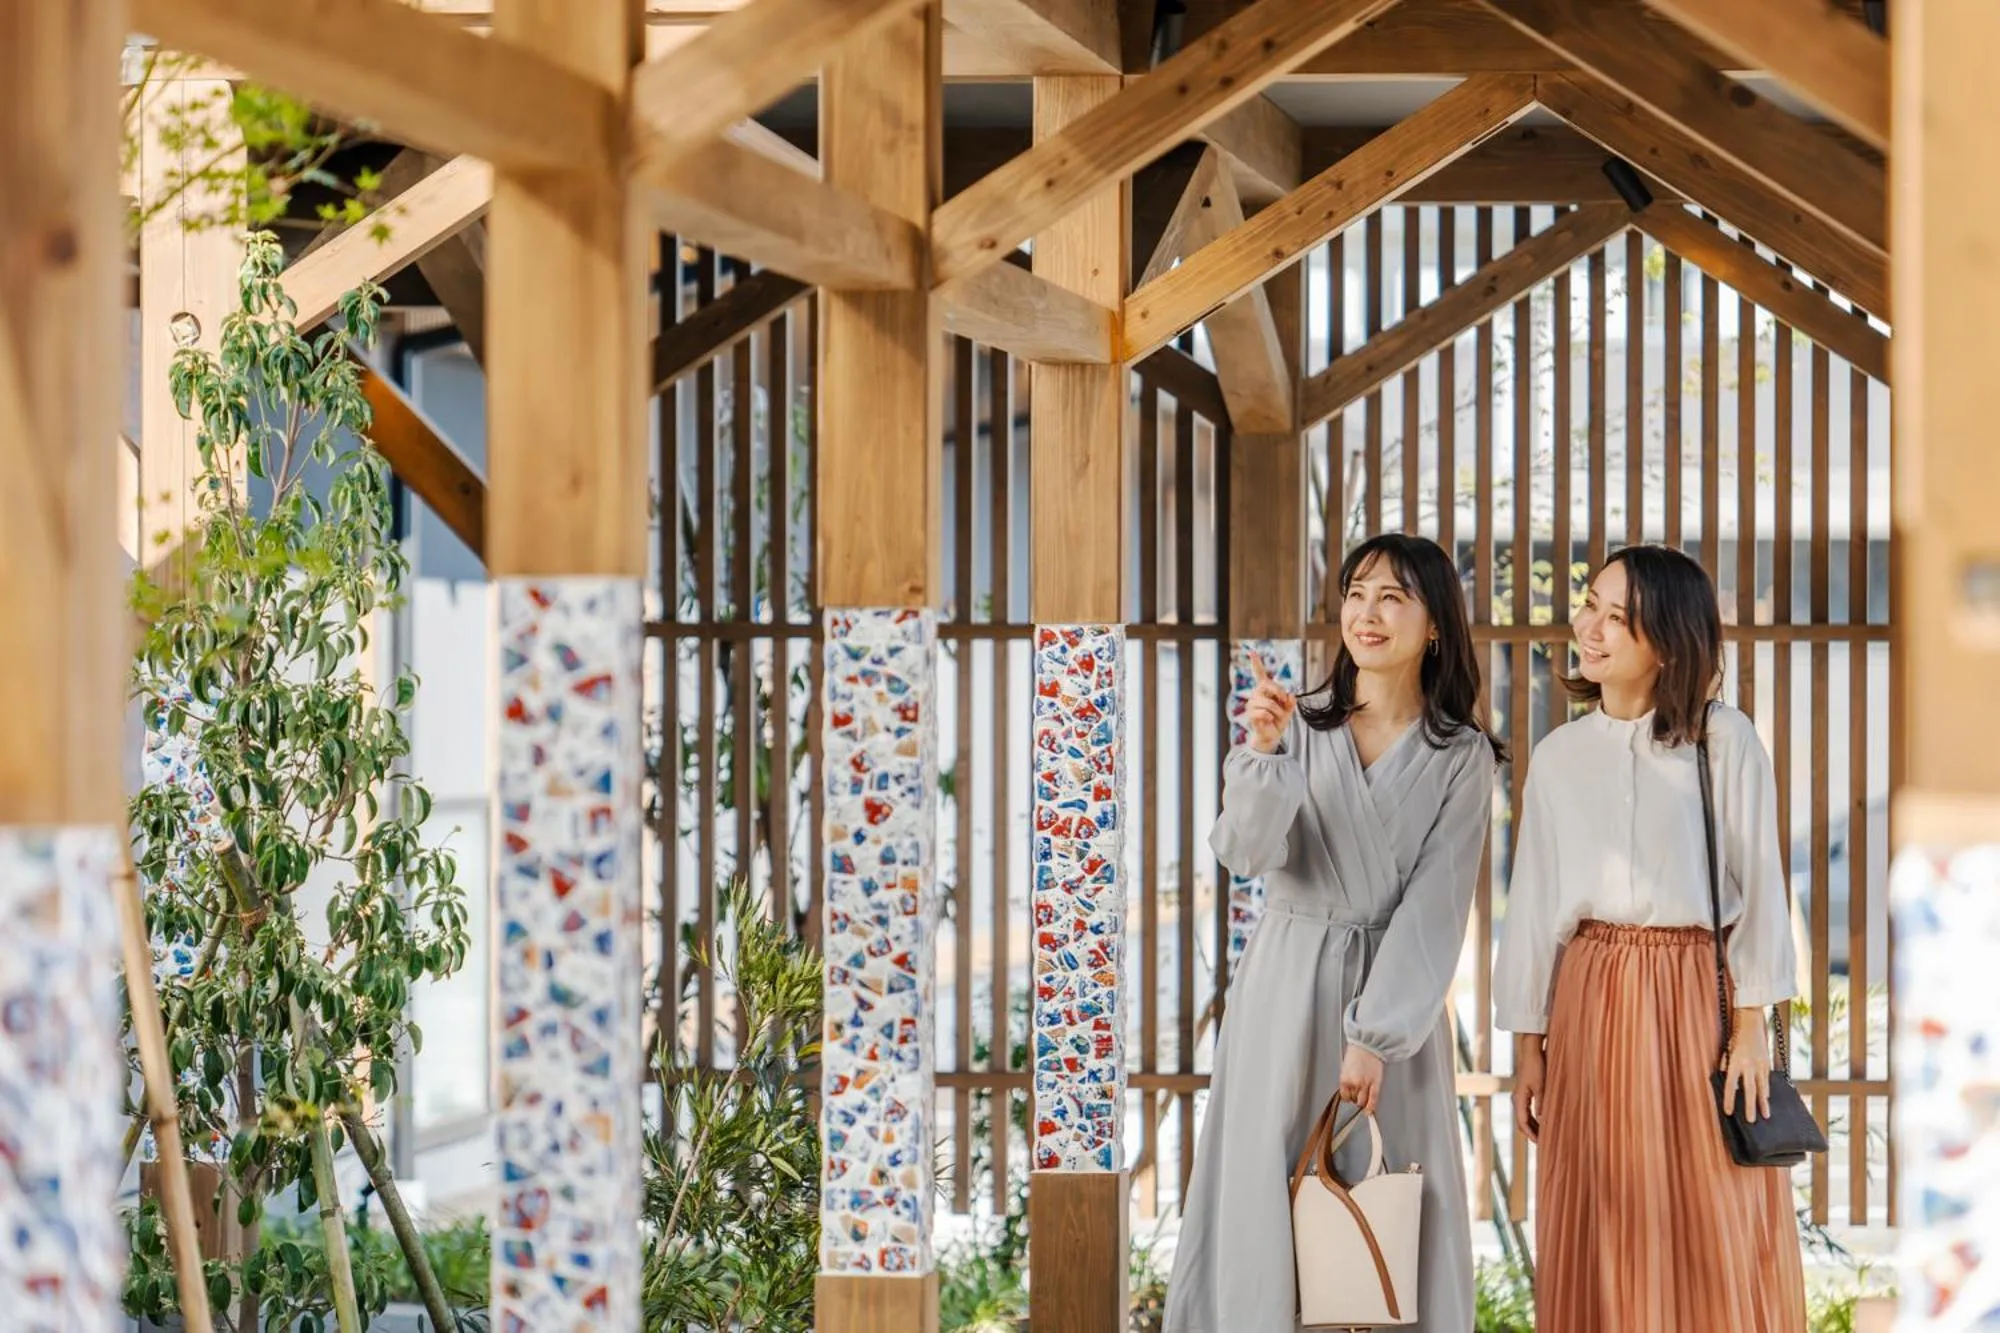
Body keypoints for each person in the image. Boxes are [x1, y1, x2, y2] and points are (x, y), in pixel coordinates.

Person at [1165, 533, 1502, 1333]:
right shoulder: (1300, 728)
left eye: (1392, 596)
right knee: (1265, 1192)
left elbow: (1435, 905)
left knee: (1385, 1203)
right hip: (1284, 986)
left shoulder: (1461, 757)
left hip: (1392, 1010)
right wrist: (1262, 754)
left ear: (1435, 626)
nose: (1367, 612)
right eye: (1356, 592)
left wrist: (1374, 1035)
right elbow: (1247, 854)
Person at [1493, 544, 1806, 1331]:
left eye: (1617, 617)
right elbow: (1532, 902)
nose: (1589, 628)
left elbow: (1761, 883)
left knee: (1709, 1205)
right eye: (1589, 602)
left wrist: (1750, 1028)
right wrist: (1528, 1045)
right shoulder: (1562, 756)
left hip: (1697, 995)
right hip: (1590, 993)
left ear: (1666, 642)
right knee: (1602, 1200)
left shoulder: (1723, 739)